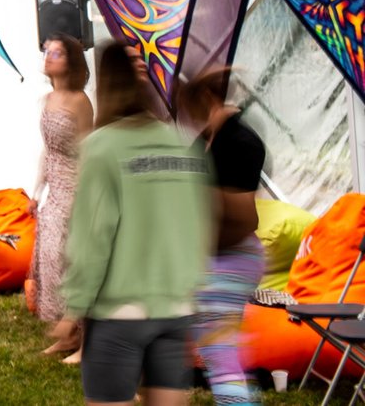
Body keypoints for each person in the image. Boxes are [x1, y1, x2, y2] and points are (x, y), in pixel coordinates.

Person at [53, 41, 210, 406]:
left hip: (120, 314)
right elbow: (198, 226)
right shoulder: (179, 143)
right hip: (175, 309)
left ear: (104, 84)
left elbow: (92, 238)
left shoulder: (100, 148)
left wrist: (74, 307)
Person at [180, 68, 266, 406]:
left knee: (221, 354)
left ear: (206, 97)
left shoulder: (240, 142)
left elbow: (245, 218)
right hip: (217, 257)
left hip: (232, 257)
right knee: (220, 351)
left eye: (190, 105)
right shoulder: (209, 138)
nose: (188, 115)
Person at [32, 35, 93, 362]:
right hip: (54, 189)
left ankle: (86, 340)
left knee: (73, 260)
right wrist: (36, 191)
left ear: (71, 61)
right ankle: (68, 334)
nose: (49, 56)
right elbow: (47, 150)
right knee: (51, 257)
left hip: (75, 188)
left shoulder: (80, 101)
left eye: (56, 52)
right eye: (47, 50)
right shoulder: (48, 98)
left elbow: (87, 152)